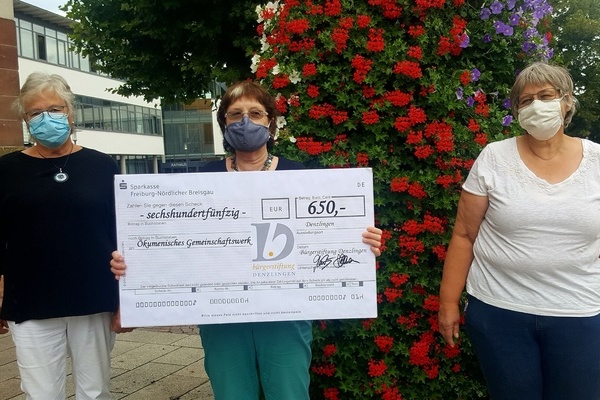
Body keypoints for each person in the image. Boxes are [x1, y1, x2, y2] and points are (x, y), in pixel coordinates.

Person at [111, 80, 383, 400]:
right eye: (235, 114)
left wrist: (360, 244)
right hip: (220, 315)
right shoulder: (200, 179)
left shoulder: (301, 176)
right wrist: (133, 263)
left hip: (286, 314)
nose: (245, 121)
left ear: (270, 122)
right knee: (232, 393)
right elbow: (170, 242)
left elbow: (326, 237)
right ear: (224, 123)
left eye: (255, 113)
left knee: (289, 394)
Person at [438, 61, 600, 400]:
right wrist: (448, 303)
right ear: (517, 112)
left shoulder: (597, 161)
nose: (536, 105)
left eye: (546, 96)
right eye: (526, 100)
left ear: (567, 102)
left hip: (580, 313)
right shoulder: (494, 158)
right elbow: (464, 234)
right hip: (499, 312)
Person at [0, 72, 124, 399]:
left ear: (70, 112)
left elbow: (122, 232)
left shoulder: (102, 166)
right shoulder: (6, 170)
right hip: (29, 300)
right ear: (25, 120)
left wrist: (127, 299)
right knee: (40, 393)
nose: (47, 118)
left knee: (95, 391)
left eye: (55, 109)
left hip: (94, 297)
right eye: (36, 113)